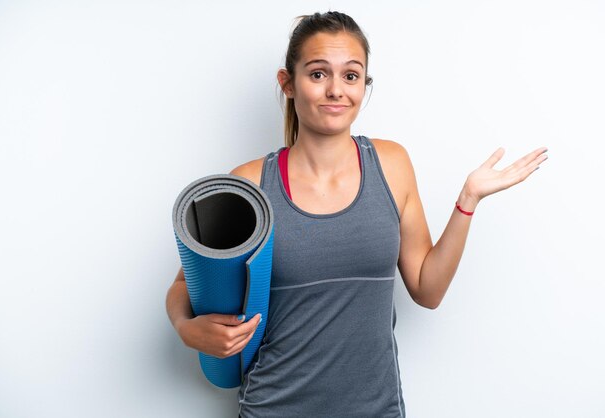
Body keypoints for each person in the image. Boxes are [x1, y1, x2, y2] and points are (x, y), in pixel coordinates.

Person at [166, 11, 548, 418]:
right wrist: (187, 330)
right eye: (317, 74)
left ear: (364, 86)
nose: (336, 90)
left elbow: (428, 289)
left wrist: (468, 199)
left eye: (350, 76)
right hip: (272, 407)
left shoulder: (392, 164)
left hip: (376, 409)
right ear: (288, 84)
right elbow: (183, 285)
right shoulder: (251, 184)